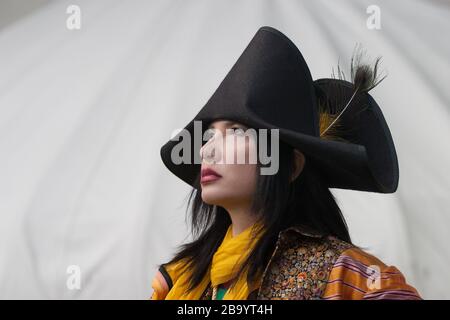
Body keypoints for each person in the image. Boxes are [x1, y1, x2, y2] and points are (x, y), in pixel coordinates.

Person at [150, 26, 421, 300]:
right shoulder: (179, 279)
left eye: (235, 132)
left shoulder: (345, 276)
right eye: (209, 135)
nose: (207, 150)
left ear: (291, 166)